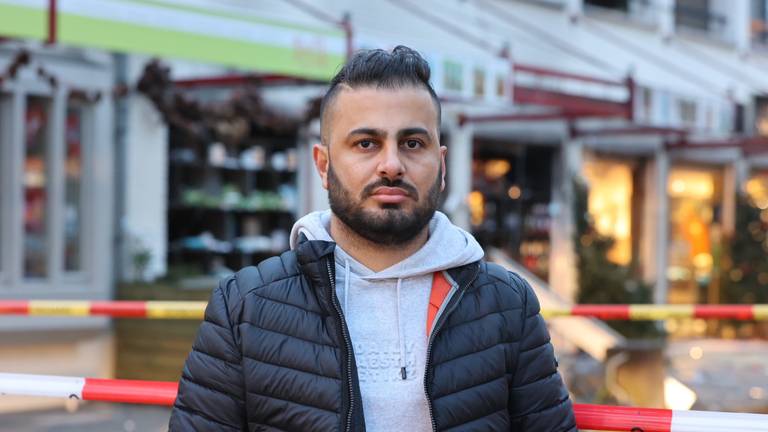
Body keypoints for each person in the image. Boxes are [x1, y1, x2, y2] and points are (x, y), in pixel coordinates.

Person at [169, 45, 577, 432]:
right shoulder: (244, 306)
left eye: (412, 143)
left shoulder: (507, 304)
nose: (392, 165)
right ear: (324, 165)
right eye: (366, 143)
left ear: (441, 164)